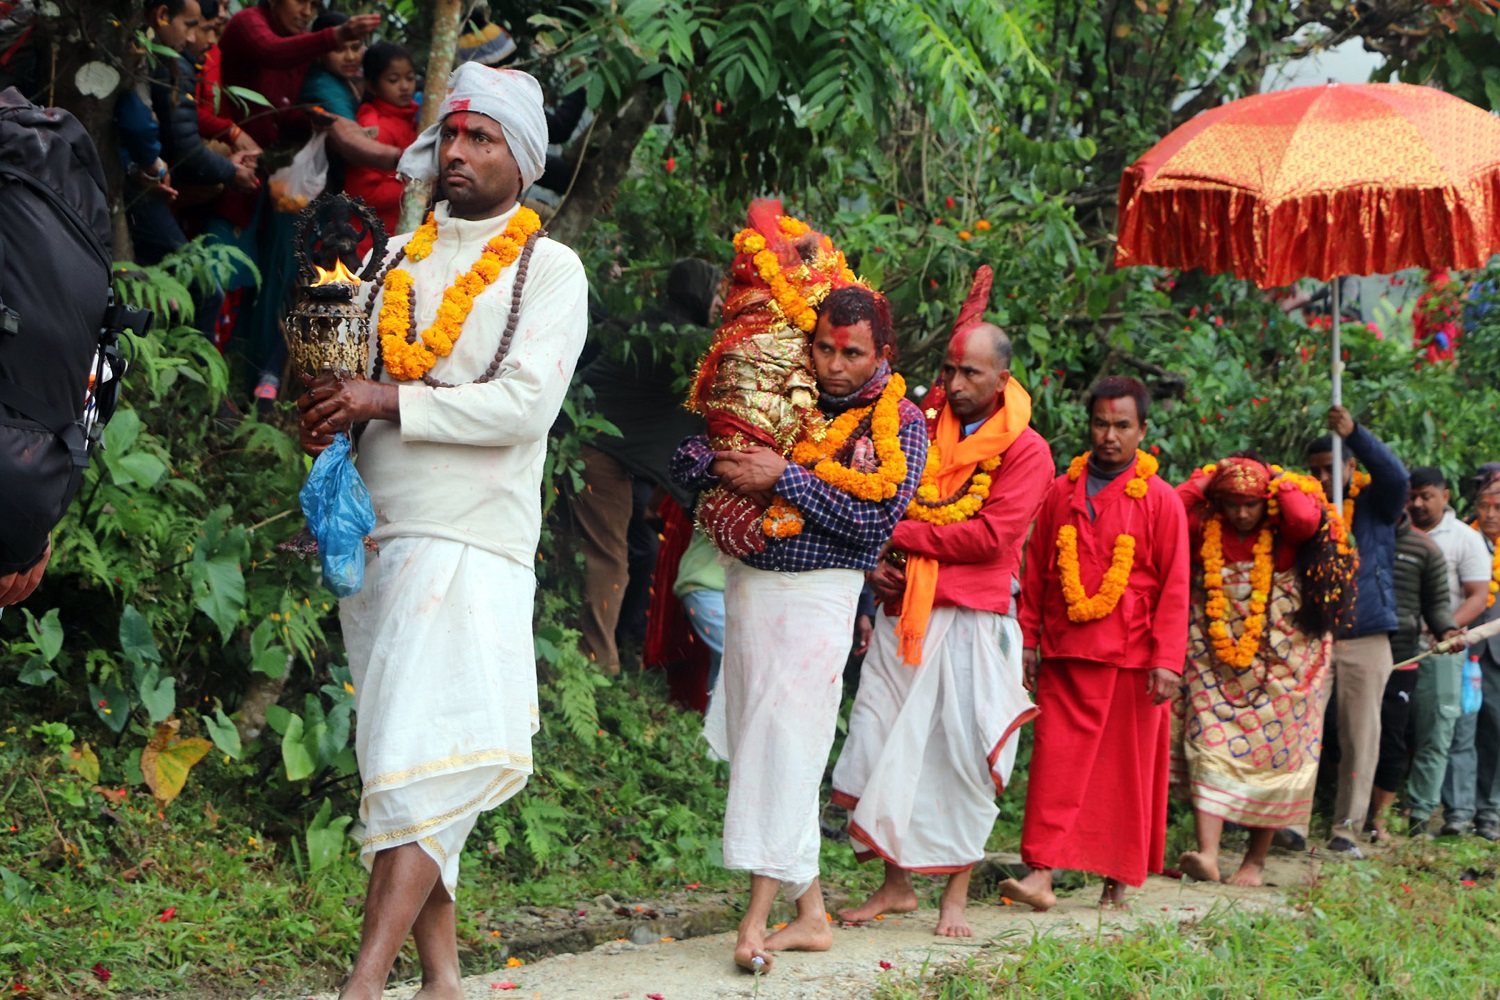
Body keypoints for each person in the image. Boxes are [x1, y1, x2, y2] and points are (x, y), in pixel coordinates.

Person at [294, 63, 586, 1000]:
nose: (458, 152)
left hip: (472, 536)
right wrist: (333, 406)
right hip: (381, 533)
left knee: (425, 751)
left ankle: (364, 982)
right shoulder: (393, 259)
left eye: (483, 138)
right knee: (406, 762)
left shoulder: (551, 268)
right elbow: (349, 372)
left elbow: (524, 405)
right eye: (452, 135)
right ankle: (445, 977)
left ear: (523, 161)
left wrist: (386, 395)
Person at [671, 281, 927, 972]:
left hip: (819, 595)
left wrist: (783, 478)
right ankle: (811, 915)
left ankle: (752, 923)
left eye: (852, 353)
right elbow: (708, 451)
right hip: (749, 585)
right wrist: (715, 462)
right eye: (824, 349)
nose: (835, 365)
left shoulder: (901, 422)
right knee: (764, 738)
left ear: (883, 352)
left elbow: (871, 525)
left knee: (784, 743)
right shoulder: (787, 387)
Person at [832, 297, 1052, 937]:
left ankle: (954, 900)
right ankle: (895, 887)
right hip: (906, 613)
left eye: (971, 375)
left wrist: (899, 532)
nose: (954, 385)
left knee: (961, 755)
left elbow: (991, 537)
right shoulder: (922, 428)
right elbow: (884, 491)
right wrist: (881, 564)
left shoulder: (1028, 451)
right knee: (878, 736)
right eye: (950, 370)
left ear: (1002, 380)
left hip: (973, 621)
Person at [998, 376, 1189, 910]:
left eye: (1122, 425)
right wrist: (1028, 643)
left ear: (1142, 431)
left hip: (1133, 660)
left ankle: (1117, 880)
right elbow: (1035, 574)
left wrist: (1168, 661)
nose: (1110, 435)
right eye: (1101, 424)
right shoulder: (1062, 491)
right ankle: (1041, 872)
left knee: (1124, 775)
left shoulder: (1161, 500)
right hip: (1065, 651)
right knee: (1056, 766)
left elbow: (1176, 586)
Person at [1172, 457, 1351, 885]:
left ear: (1265, 502)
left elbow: (1306, 515)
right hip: (1214, 663)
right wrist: (1211, 476)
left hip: (1282, 671)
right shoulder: (1204, 530)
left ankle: (1254, 862)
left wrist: (1273, 478)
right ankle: (1209, 853)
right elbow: (1173, 509)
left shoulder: (1283, 533)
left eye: (1250, 503)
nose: (1241, 513)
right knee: (1206, 742)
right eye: (1231, 503)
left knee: (1276, 758)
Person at [573, 258, 721, 673]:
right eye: (716, 292)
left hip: (594, 448)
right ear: (697, 293)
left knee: (635, 551)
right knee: (609, 559)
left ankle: (605, 651)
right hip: (590, 449)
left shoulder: (653, 324)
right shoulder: (685, 344)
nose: (719, 302)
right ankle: (597, 663)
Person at [1297, 405, 1408, 855]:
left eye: (1331, 468)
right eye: (1316, 471)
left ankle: (1346, 829)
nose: (1324, 478)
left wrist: (1354, 433)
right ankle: (1290, 824)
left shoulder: (1378, 507)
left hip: (1366, 637)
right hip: (1312, 638)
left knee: (1360, 737)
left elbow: (1397, 476)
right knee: (1300, 730)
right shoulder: (1303, 511)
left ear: (1351, 467)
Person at [1369, 510, 1456, 840]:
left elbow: (1437, 603)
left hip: (1403, 655)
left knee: (1392, 738)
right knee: (1343, 733)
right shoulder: (1356, 533)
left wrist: (1446, 630)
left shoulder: (1425, 547)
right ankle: (1351, 811)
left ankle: (1378, 820)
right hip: (1355, 653)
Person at [1437, 467, 1500, 839]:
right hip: (1461, 650)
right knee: (1459, 731)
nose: (1490, 513)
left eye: (1498, 506)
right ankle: (1457, 812)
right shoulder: (1462, 538)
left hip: (1498, 656)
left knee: (1495, 734)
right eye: (1483, 505)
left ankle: (1489, 812)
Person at [341, 42, 418, 238]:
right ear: (371, 86)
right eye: (393, 80)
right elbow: (364, 194)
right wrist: (418, 185)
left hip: (395, 230)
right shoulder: (374, 127)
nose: (405, 86)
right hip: (368, 240)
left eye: (410, 78)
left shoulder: (409, 119)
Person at [298, 10, 364, 121]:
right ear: (319, 52)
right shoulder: (322, 87)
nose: (351, 57)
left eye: (355, 48)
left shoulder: (340, 78)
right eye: (339, 50)